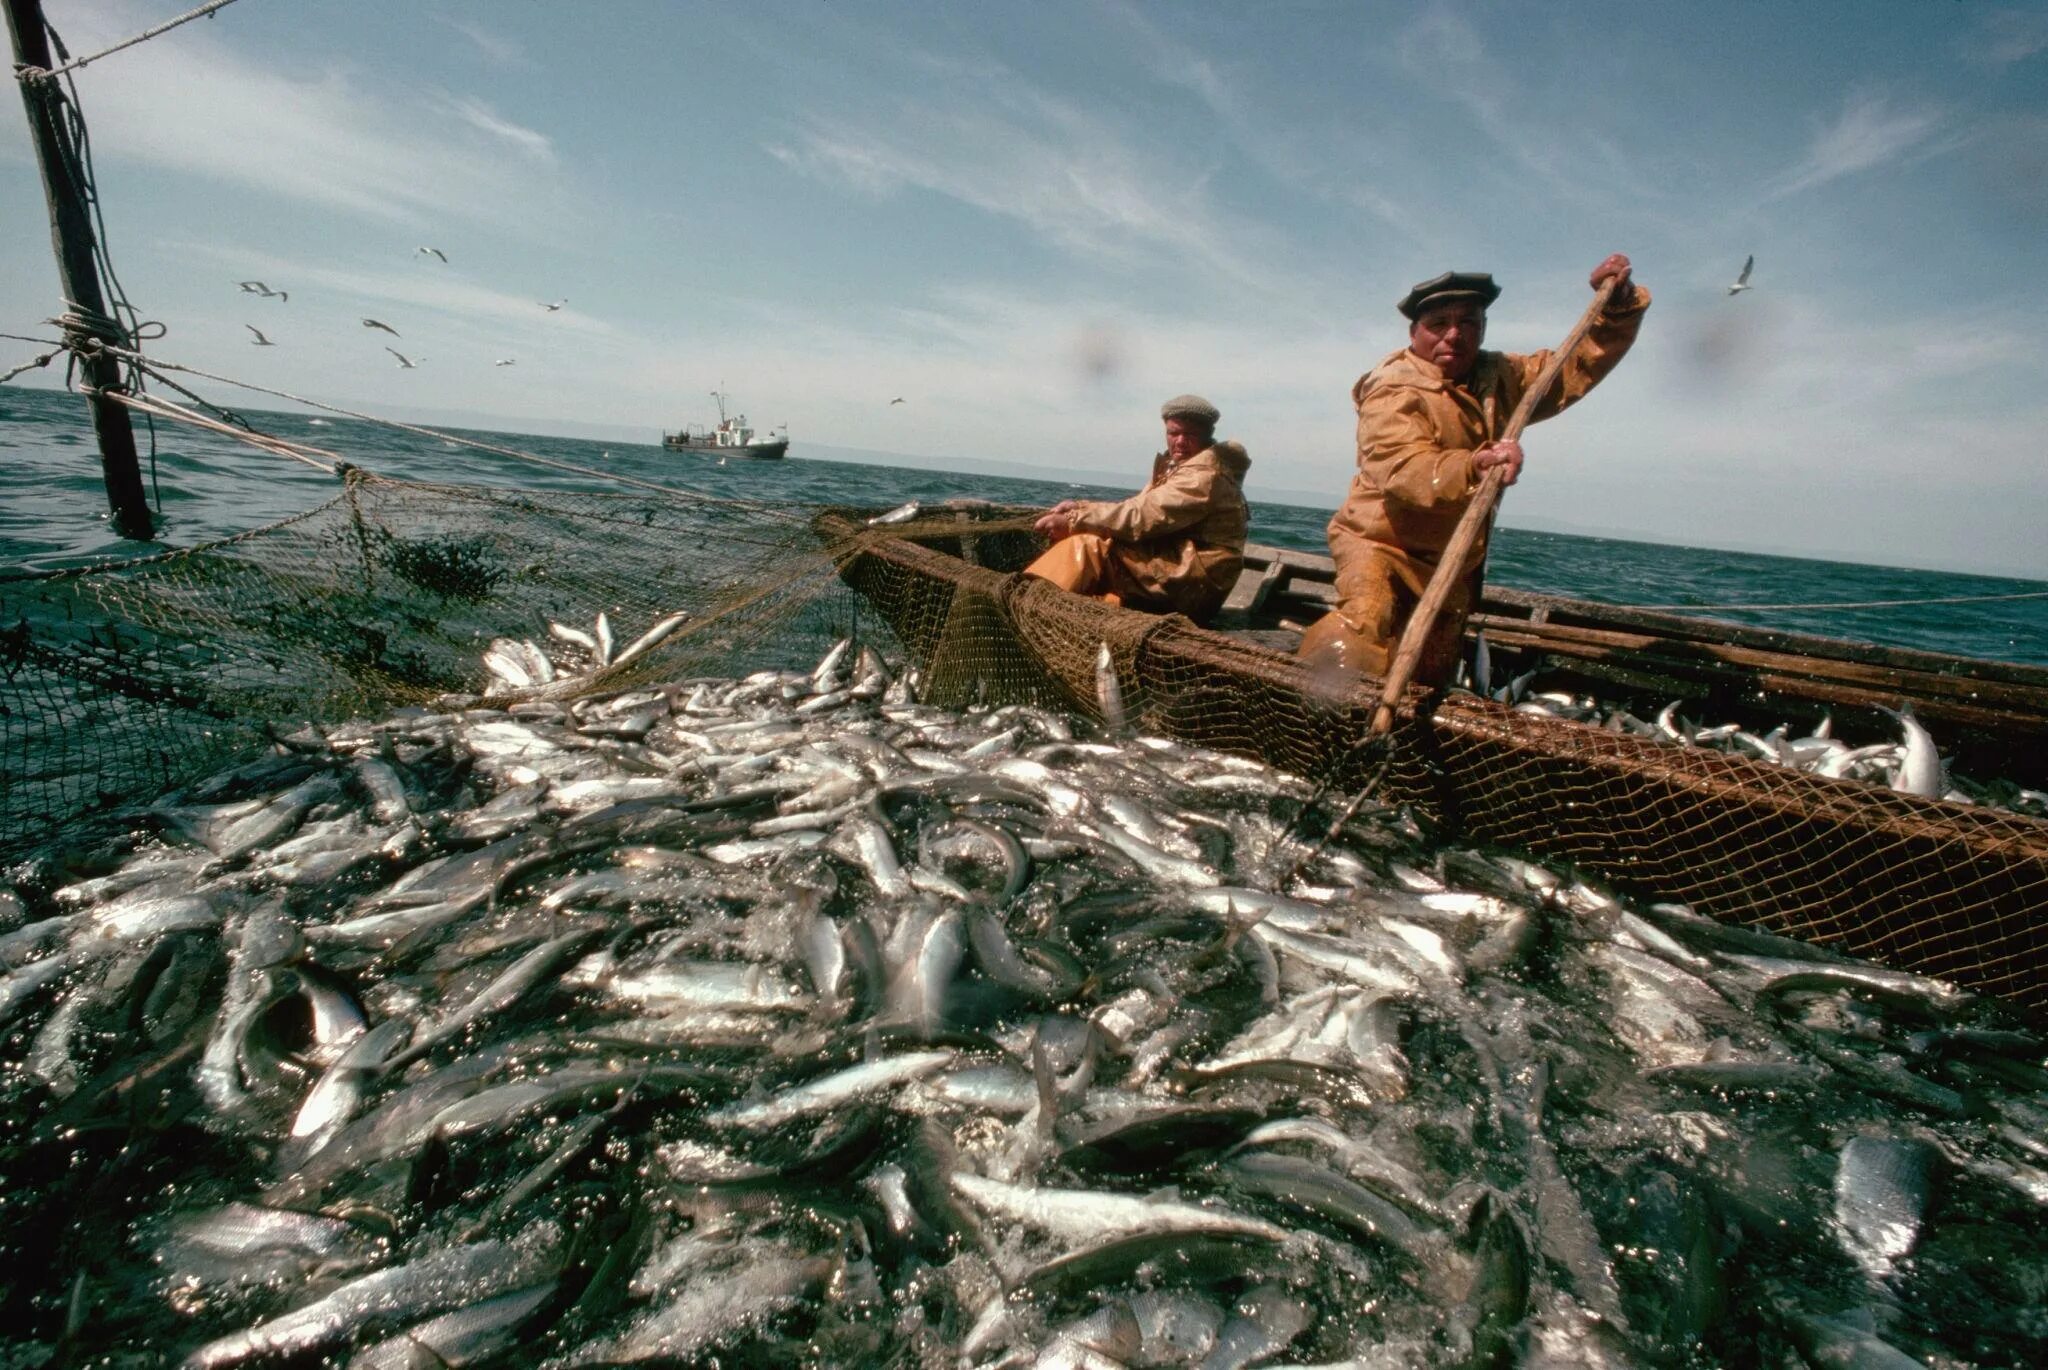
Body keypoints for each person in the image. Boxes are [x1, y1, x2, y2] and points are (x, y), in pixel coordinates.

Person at [1300, 255, 1649, 682]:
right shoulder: (1391, 388)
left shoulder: (1500, 374)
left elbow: (1573, 368)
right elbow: (1400, 467)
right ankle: (1314, 711)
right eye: (1439, 323)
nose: (1454, 334)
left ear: (1482, 329)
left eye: (1468, 323)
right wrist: (1475, 465)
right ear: (1415, 333)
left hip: (1454, 554)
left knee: (1432, 668)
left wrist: (1616, 307)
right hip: (1380, 543)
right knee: (1362, 624)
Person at [1025, 394, 1251, 625]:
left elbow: (1140, 517)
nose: (1180, 441)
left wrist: (1074, 521)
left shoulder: (1204, 476)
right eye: (1174, 433)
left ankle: (1024, 610)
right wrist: (1081, 507)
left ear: (1207, 435)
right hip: (1181, 576)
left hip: (1192, 586)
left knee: (1086, 545)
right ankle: (1088, 604)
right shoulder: (1183, 467)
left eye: (1190, 434)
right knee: (1098, 542)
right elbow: (1137, 505)